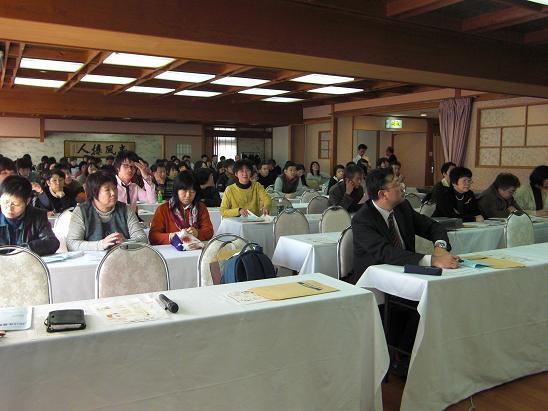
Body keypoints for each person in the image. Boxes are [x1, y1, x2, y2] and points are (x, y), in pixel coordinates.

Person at [351, 167, 457, 284]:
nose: (402, 186)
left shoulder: (402, 207)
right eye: (396, 183)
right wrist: (432, 260)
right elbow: (387, 252)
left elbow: (433, 226)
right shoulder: (362, 220)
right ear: (382, 194)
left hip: (408, 273)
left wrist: (440, 248)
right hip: (376, 281)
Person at [66, 171, 147, 251]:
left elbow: (143, 239)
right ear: (94, 193)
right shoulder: (81, 211)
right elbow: (72, 244)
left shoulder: (125, 209)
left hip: (122, 258)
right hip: (91, 261)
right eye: (107, 190)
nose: (113, 193)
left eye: (115, 188)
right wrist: (101, 244)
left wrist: (126, 243)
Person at [0, 175, 60, 255]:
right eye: (5, 202)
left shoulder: (38, 216)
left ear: (27, 201)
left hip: (27, 264)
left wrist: (26, 249)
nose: (9, 209)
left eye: (15, 204)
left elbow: (52, 242)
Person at [149, 172, 213, 244]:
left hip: (195, 249)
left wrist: (197, 233)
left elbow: (209, 232)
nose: (188, 195)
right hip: (171, 251)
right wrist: (171, 236)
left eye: (192, 191)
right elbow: (153, 236)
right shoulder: (163, 209)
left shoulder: (200, 207)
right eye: (184, 191)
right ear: (176, 190)